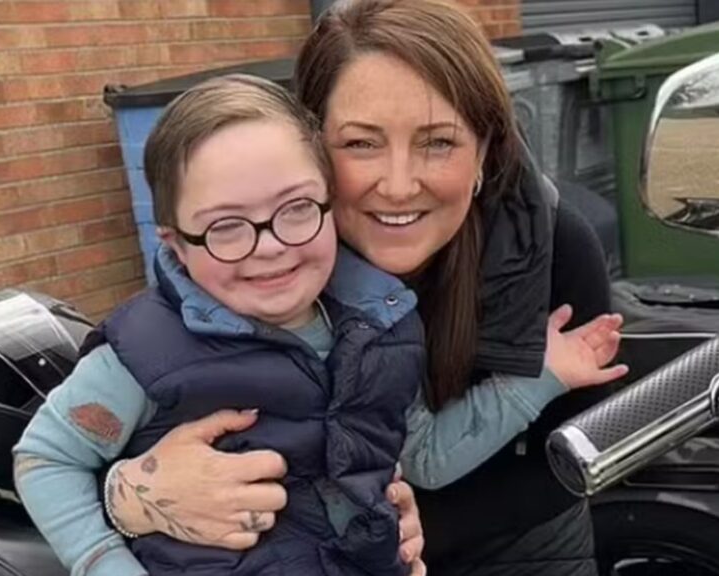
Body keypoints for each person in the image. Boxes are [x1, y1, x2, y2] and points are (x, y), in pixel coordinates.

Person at [107, 1, 625, 575]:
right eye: (361, 144)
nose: (398, 185)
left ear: (483, 150)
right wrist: (127, 494)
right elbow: (116, 385)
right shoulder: (266, 251)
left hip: (515, 542)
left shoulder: (551, 244)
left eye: (438, 142)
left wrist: (400, 534)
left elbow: (578, 451)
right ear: (310, 146)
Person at [13, 74, 427, 576]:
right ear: (176, 245)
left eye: (297, 208)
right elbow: (46, 459)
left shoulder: (381, 326)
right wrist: (102, 562)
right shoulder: (144, 353)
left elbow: (393, 450)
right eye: (225, 226)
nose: (270, 246)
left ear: (330, 203)